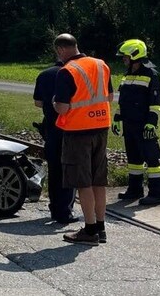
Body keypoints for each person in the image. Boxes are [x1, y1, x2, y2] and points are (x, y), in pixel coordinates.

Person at [52, 34, 114, 246]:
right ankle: (100, 226)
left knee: (83, 182)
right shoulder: (101, 65)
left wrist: (54, 104)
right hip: (101, 127)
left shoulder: (66, 71)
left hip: (78, 131)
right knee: (98, 180)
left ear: (61, 50)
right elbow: (110, 97)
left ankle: (89, 231)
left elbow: (62, 107)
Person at [112, 39, 160, 205]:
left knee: (151, 159)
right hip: (129, 123)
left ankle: (156, 194)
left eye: (125, 56)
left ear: (135, 55)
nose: (123, 59)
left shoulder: (151, 74)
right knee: (133, 158)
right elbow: (123, 100)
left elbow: (155, 102)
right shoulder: (128, 74)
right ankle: (135, 190)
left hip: (144, 124)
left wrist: (151, 123)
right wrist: (117, 118)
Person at [33, 59, 78, 224]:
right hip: (70, 128)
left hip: (51, 128)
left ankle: (55, 208)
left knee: (54, 170)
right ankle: (66, 211)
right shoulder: (72, 74)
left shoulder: (44, 74)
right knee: (69, 169)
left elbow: (38, 102)